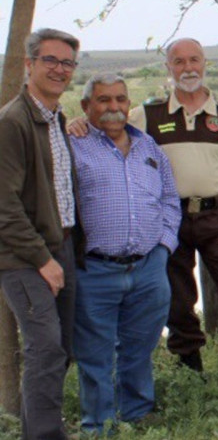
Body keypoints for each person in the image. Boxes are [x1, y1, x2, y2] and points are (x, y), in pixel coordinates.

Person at [107, 38, 218, 385]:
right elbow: (110, 136)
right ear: (168, 68)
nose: (187, 68)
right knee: (176, 301)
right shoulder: (147, 114)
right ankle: (190, 368)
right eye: (178, 62)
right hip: (168, 222)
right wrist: (79, 126)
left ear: (205, 63)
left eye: (194, 60)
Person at [70, 74, 181, 433]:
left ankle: (136, 412)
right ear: (87, 107)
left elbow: (169, 200)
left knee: (139, 347)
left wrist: (164, 248)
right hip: (96, 269)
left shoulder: (149, 147)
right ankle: (98, 424)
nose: (114, 108)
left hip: (148, 267)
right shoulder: (75, 146)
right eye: (104, 100)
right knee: (95, 355)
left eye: (120, 99)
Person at [0, 28, 82, 440]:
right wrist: (43, 260)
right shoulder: (12, 121)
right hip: (26, 257)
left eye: (67, 63)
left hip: (60, 247)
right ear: (29, 64)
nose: (60, 69)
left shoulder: (54, 118)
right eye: (50, 60)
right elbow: (4, 205)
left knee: (59, 349)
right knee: (45, 348)